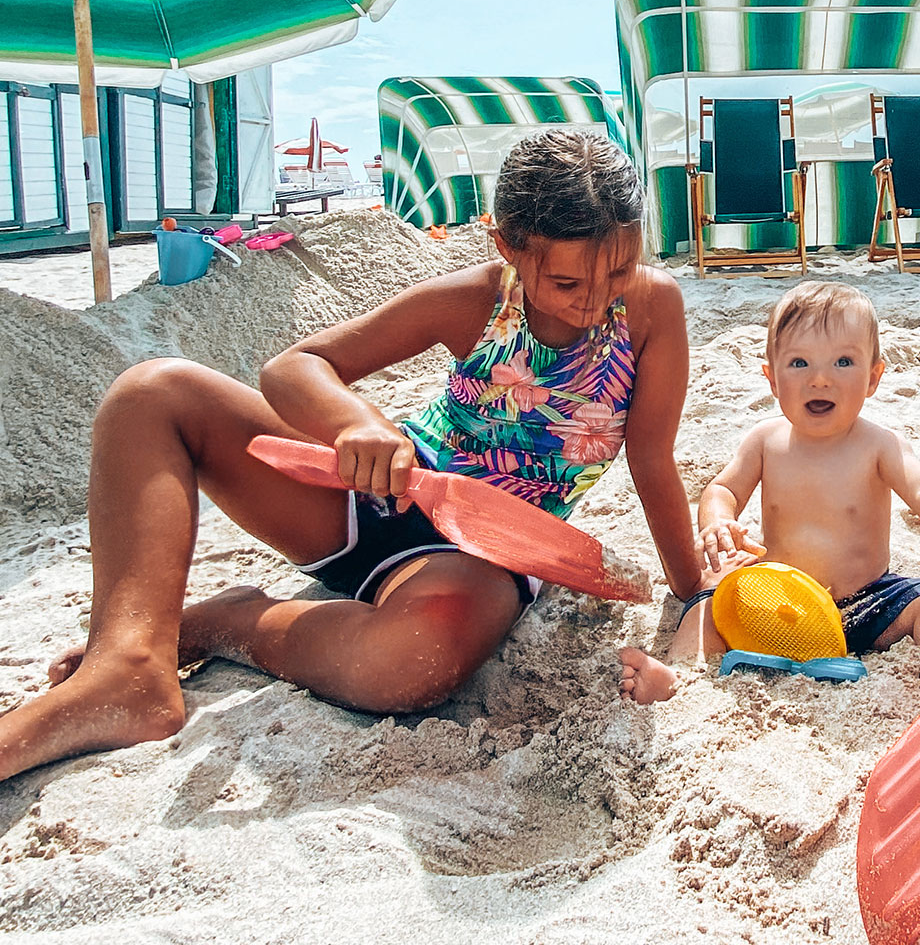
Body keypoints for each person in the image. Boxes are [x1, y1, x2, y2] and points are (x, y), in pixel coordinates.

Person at [0, 129, 703, 784]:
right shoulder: (476, 302)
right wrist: (361, 425)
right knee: (152, 394)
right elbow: (295, 368)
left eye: (618, 271)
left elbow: (651, 461)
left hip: (491, 551)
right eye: (568, 284)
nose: (594, 301)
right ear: (508, 247)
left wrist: (692, 589)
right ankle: (125, 663)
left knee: (410, 667)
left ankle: (226, 623)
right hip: (377, 490)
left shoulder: (649, 313)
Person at [618, 281, 920, 704]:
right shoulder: (765, 441)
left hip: (862, 604)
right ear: (772, 379)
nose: (820, 379)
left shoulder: (878, 445)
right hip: (773, 610)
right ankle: (681, 681)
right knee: (707, 603)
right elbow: (722, 487)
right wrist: (718, 520)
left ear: (873, 377)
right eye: (798, 363)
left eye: (843, 362)